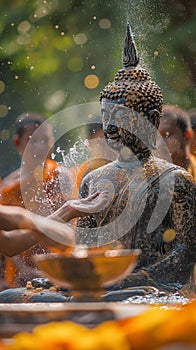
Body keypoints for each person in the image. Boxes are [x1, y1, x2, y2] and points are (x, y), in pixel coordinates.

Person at [52, 24, 196, 294]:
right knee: (16, 295)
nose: (109, 129)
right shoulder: (94, 179)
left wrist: (130, 279)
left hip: (158, 289)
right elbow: (85, 246)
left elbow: (187, 252)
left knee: (133, 296)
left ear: (150, 119)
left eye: (121, 120)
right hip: (106, 285)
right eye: (106, 119)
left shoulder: (176, 180)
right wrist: (69, 277)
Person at [0, 112, 65, 287]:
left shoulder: (60, 177)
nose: (40, 147)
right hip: (20, 277)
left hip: (60, 269)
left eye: (45, 140)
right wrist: (23, 269)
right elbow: (5, 240)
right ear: (17, 143)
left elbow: (69, 228)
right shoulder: (7, 187)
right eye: (33, 141)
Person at [158, 105, 196, 182]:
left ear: (188, 136)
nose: (159, 143)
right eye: (156, 136)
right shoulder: (147, 178)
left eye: (167, 134)